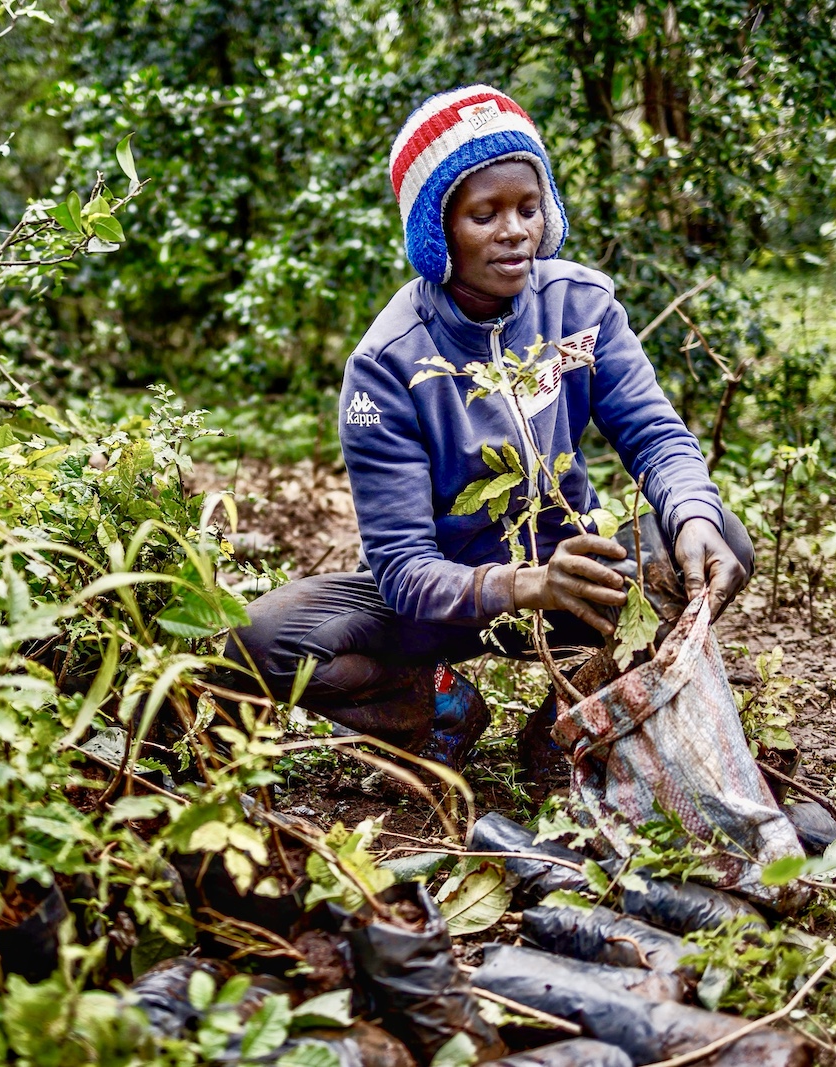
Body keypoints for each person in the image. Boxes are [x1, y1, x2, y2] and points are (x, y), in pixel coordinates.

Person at [225, 85, 753, 771]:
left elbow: (655, 435)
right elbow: (404, 569)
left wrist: (689, 515)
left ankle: (571, 724)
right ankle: (435, 711)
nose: (514, 231)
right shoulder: (389, 361)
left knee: (714, 536)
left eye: (528, 208)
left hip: (574, 580)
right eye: (485, 214)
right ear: (436, 230)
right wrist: (523, 585)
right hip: (437, 609)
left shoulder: (581, 308)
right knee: (258, 636)